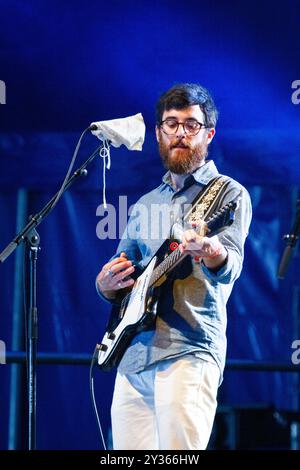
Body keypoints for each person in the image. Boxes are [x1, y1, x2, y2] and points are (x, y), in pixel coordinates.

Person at [96, 83, 252, 450]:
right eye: (171, 123)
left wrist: (211, 249)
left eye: (191, 124)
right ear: (158, 133)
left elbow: (230, 266)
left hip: (188, 349)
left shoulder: (227, 193)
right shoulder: (145, 203)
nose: (180, 132)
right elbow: (124, 278)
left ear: (209, 133)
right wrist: (105, 285)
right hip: (133, 355)